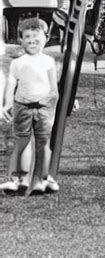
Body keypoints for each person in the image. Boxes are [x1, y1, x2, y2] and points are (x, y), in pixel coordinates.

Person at [0, 18, 59, 195]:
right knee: (22, 142)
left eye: (36, 37)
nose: (32, 41)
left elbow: (53, 89)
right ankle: (19, 179)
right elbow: (11, 84)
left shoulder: (48, 62)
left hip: (43, 108)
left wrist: (48, 101)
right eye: (27, 37)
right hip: (22, 106)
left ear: (46, 39)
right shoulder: (18, 63)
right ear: (21, 40)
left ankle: (42, 179)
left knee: (43, 143)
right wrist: (7, 103)